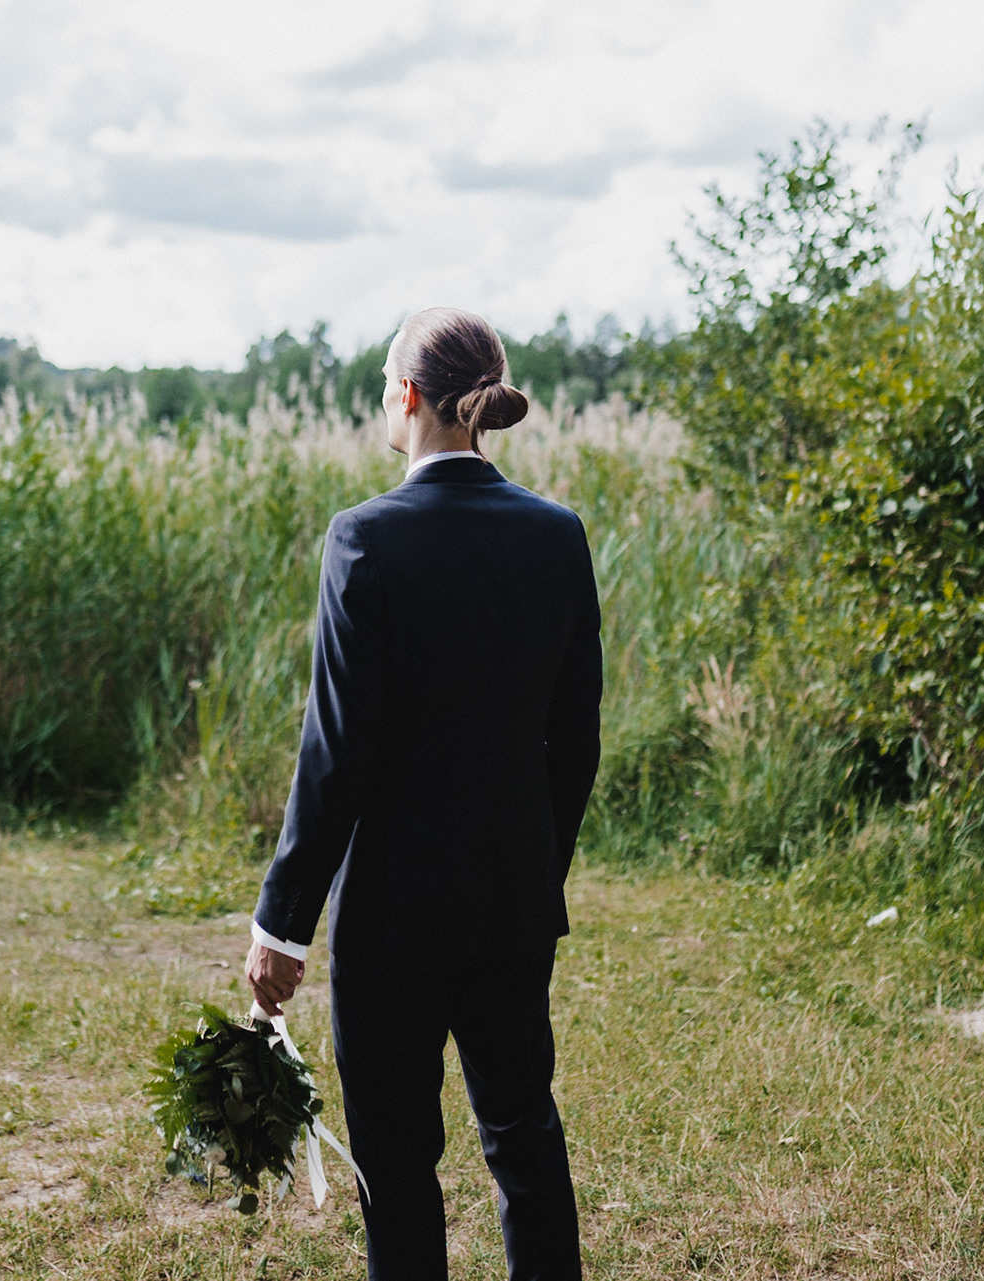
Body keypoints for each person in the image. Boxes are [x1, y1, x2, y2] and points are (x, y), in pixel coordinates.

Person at [243, 307, 602, 1280]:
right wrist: (538, 870)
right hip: (512, 903)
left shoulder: (364, 539)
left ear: (407, 394)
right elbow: (575, 741)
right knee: (524, 1136)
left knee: (397, 1165)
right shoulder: (557, 536)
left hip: (391, 918)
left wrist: (282, 927)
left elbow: (336, 753)